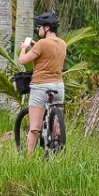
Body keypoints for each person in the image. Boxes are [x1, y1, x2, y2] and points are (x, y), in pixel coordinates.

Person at [18, 11, 66, 156]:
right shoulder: (62, 44)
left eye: (39, 26)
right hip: (58, 86)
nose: (38, 29)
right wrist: (35, 46)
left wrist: (24, 47)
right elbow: (48, 55)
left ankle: (28, 158)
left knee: (34, 128)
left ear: (46, 27)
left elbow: (22, 60)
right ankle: (57, 147)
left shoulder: (42, 43)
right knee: (57, 124)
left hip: (41, 86)